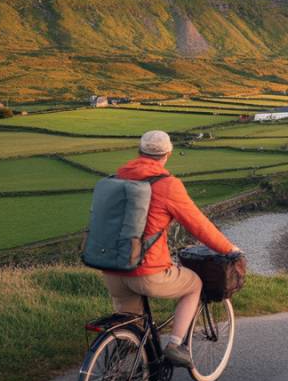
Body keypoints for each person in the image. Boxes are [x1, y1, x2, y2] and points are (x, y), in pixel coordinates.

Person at [101, 130, 242, 368]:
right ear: (168, 154)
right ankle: (175, 345)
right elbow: (199, 225)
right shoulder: (167, 185)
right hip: (145, 273)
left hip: (111, 269)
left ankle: (119, 374)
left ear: (140, 151)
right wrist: (229, 248)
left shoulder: (118, 177)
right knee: (194, 285)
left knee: (132, 326)